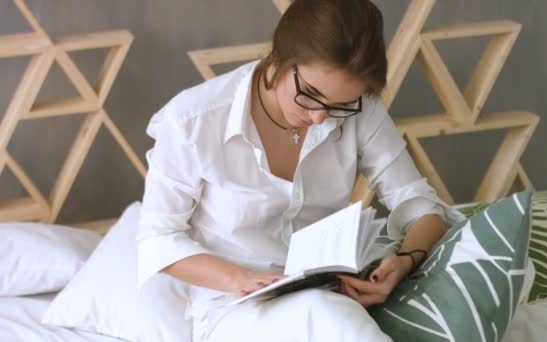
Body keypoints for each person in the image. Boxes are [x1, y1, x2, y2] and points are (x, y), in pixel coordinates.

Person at [136, 0, 464, 341]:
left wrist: (406, 260)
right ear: (280, 56)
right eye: (311, 94)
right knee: (331, 320)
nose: (321, 117)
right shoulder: (191, 121)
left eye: (340, 105)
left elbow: (421, 205)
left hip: (332, 291)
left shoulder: (361, 111)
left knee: (332, 314)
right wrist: (240, 279)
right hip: (237, 306)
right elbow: (159, 239)